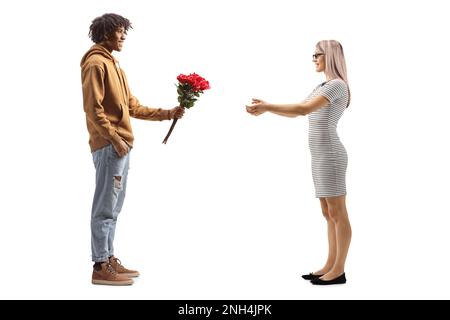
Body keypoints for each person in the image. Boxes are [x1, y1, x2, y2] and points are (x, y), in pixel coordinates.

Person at [81, 13, 184, 286]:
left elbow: (132, 106)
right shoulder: (95, 64)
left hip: (121, 147)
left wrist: (168, 113)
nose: (124, 36)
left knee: (114, 207)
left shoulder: (116, 66)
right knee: (104, 207)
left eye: (125, 31)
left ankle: (109, 257)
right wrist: (114, 138)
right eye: (119, 31)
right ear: (105, 33)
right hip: (109, 146)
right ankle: (100, 265)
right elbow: (93, 109)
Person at [246, 40, 351, 285]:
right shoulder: (322, 86)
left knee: (338, 213)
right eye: (313, 55)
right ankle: (330, 264)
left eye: (318, 54)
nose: (314, 58)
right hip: (320, 155)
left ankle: (339, 270)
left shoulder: (337, 85)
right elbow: (297, 111)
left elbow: (304, 109)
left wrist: (268, 106)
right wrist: (267, 109)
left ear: (331, 56)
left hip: (331, 156)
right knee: (328, 213)